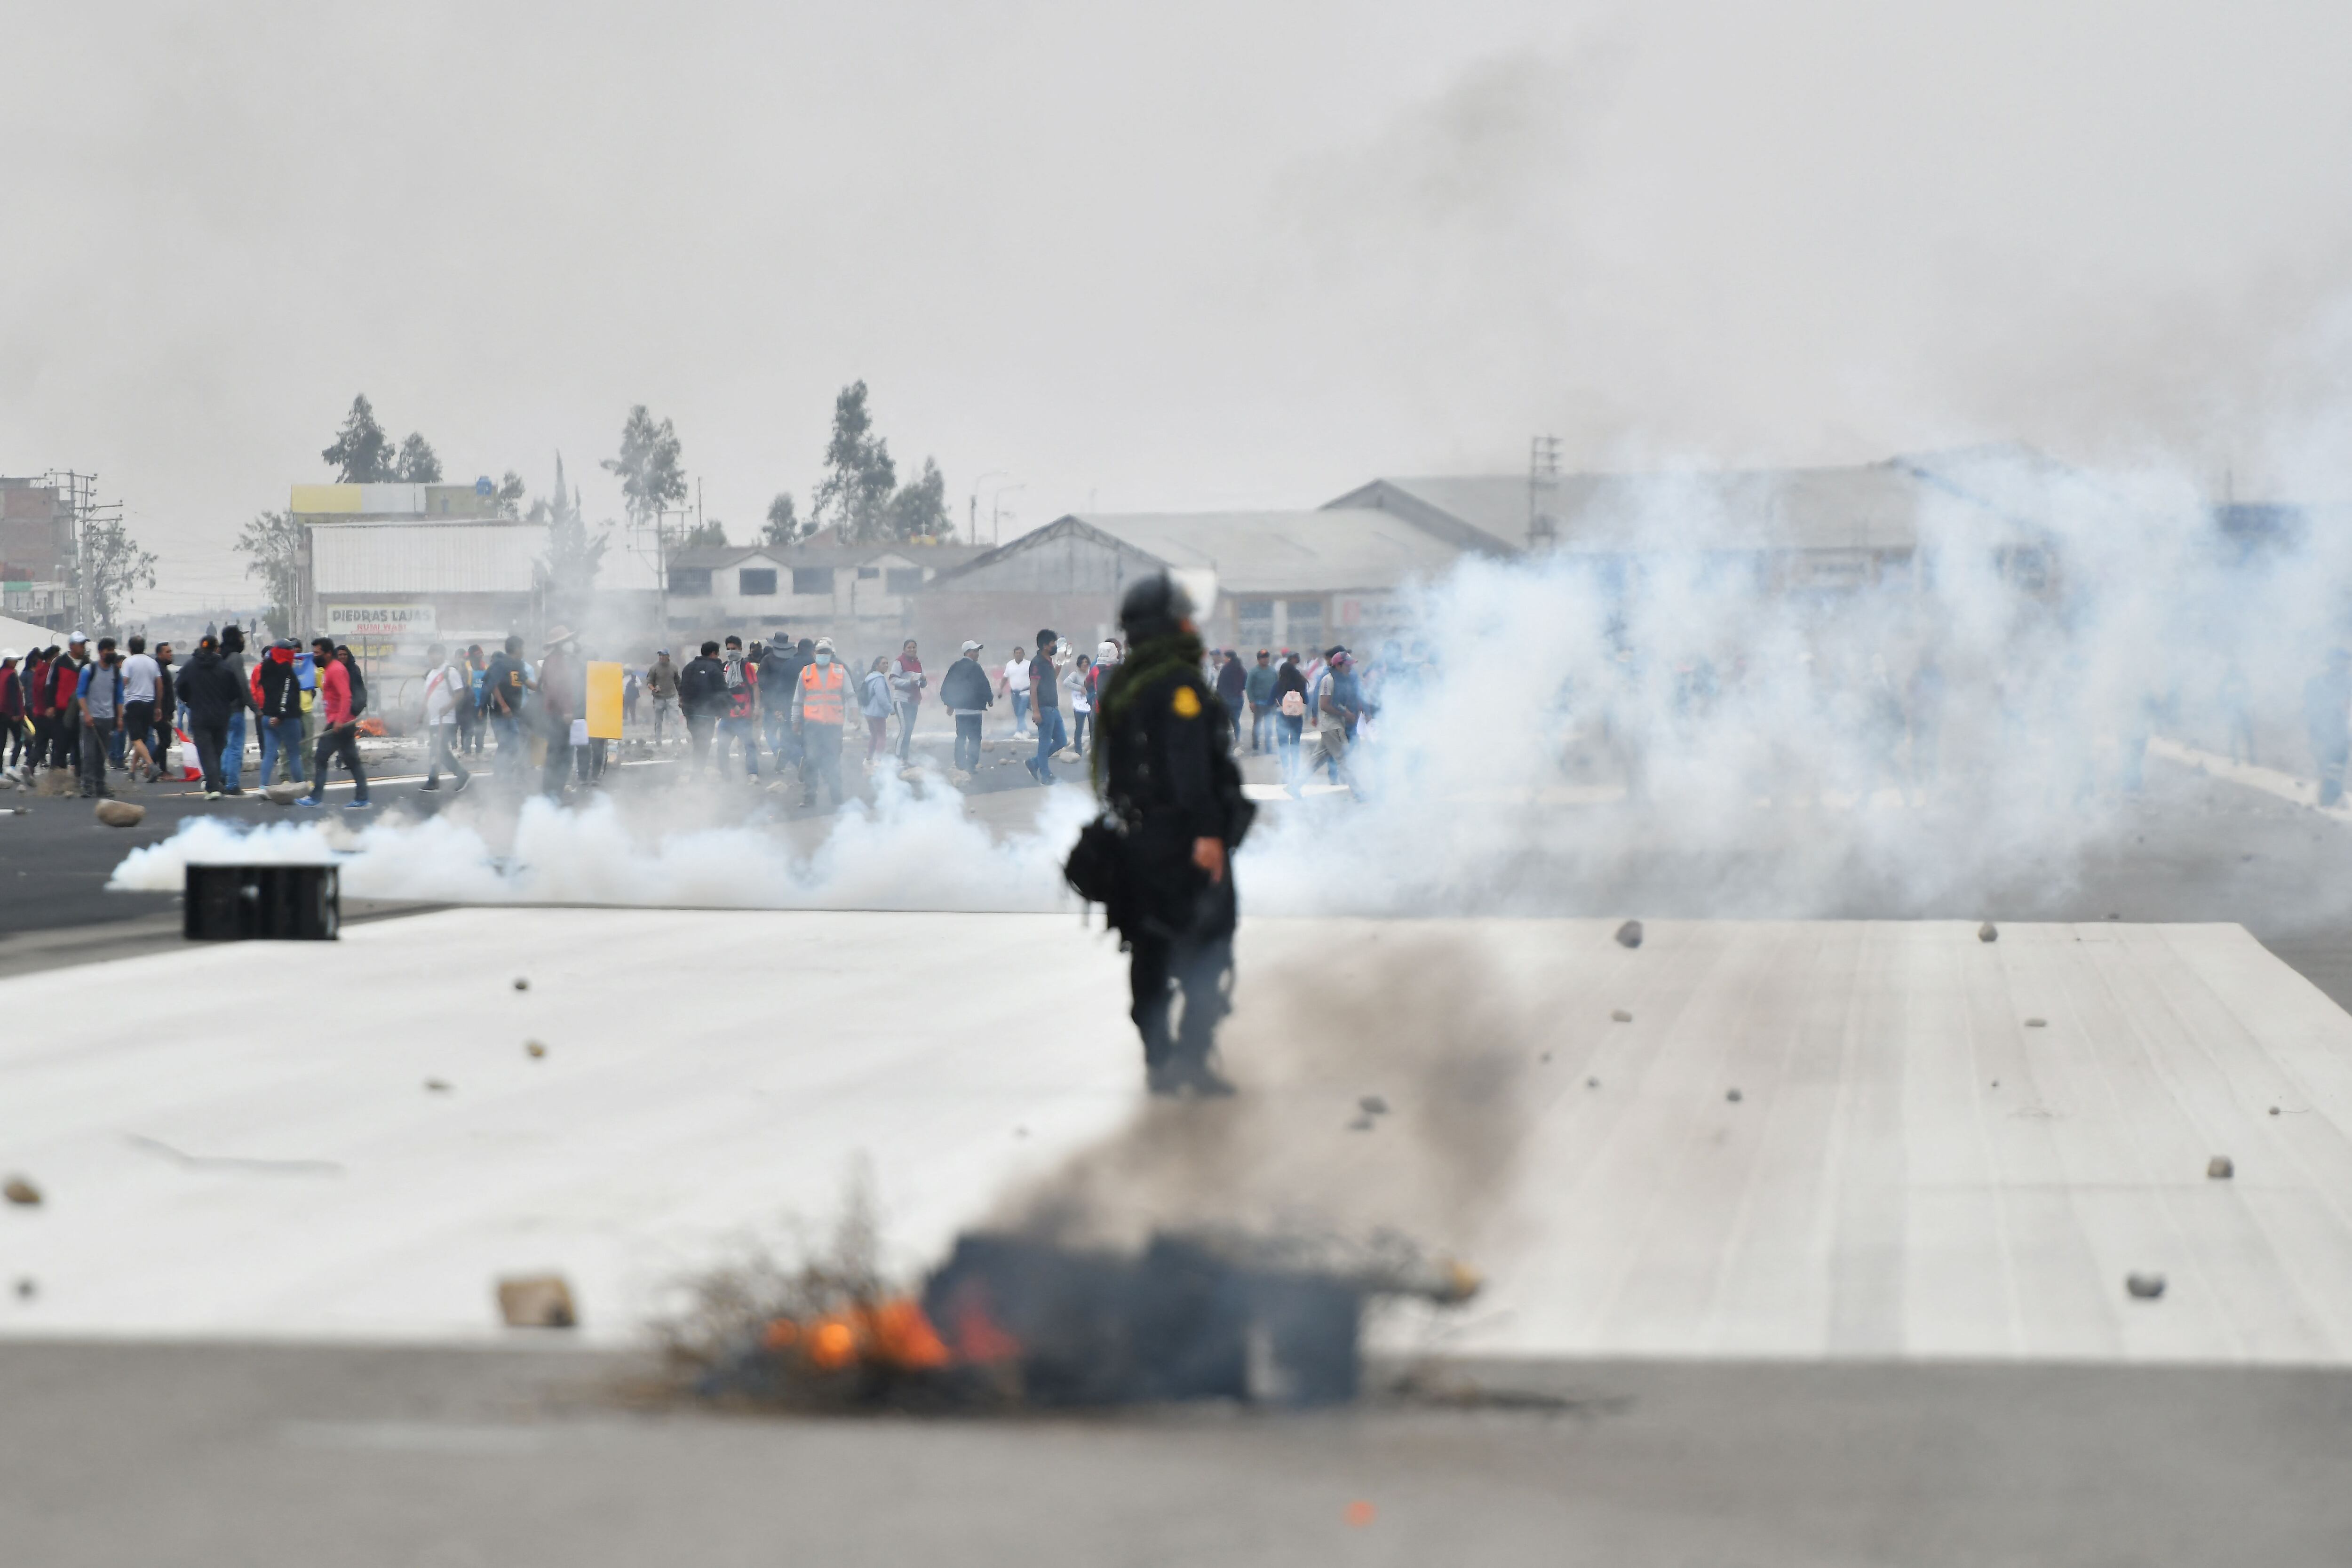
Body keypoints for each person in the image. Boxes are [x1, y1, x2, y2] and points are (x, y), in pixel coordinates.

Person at [1091, 574, 1255, 1097]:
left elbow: (1112, 774)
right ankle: (1187, 1059)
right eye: (1184, 616)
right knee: (1208, 949)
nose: (1192, 624)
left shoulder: (1126, 683)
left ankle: (1159, 1060)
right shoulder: (1178, 686)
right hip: (1183, 843)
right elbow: (1189, 768)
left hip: (1137, 841)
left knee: (1150, 952)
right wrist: (1208, 834)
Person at [179, 634, 254, 800]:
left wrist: (191, 701)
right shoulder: (224, 667)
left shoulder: (190, 667)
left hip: (199, 716)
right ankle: (215, 782)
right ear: (217, 648)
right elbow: (235, 691)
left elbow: (181, 688)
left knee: (206, 751)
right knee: (218, 750)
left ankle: (213, 785)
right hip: (222, 715)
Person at [297, 640, 371, 809]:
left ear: (328, 653)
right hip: (339, 721)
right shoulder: (330, 669)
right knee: (352, 760)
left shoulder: (336, 670)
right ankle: (362, 798)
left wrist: (339, 720)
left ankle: (316, 797)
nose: (314, 656)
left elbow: (346, 696)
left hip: (341, 723)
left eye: (317, 653)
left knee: (321, 757)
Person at [792, 635, 849, 808]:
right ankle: (809, 798)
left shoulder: (840, 671)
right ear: (814, 653)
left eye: (826, 652)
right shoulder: (806, 672)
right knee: (811, 761)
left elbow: (850, 694)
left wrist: (855, 713)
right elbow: (798, 699)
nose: (823, 655)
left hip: (833, 726)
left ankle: (837, 798)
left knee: (832, 761)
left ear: (831, 654)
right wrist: (795, 720)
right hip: (812, 726)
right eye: (820, 652)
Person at [419, 641, 472, 794]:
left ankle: (458, 776)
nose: (434, 658)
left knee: (439, 750)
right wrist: (421, 715)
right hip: (434, 719)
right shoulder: (431, 674)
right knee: (437, 750)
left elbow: (460, 693)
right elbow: (427, 697)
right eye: (432, 655)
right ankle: (434, 780)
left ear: (443, 655)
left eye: (437, 654)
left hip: (447, 719)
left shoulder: (450, 672)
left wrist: (447, 708)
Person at [74, 638, 124, 799]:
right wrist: (87, 714)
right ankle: (87, 786)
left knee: (102, 754)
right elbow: (80, 694)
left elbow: (120, 697)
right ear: (101, 652)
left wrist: (120, 718)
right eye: (108, 650)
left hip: (107, 718)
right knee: (89, 753)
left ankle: (101, 786)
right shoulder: (89, 670)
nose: (111, 653)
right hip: (90, 718)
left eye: (113, 649)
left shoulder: (116, 673)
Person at [537, 627, 583, 798]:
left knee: (557, 754)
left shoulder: (556, 660)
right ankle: (553, 793)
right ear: (560, 644)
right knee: (561, 755)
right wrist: (567, 711)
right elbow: (558, 689)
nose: (571, 644)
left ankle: (553, 792)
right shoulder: (556, 662)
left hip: (555, 714)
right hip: (559, 715)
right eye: (567, 641)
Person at [254, 640, 308, 788]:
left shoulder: (265, 667)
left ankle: (263, 787)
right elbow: (286, 694)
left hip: (267, 716)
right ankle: (300, 786)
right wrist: (281, 715)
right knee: (294, 754)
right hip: (286, 719)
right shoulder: (286, 669)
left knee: (269, 754)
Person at [1313, 648, 1365, 788]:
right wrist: (1345, 714)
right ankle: (1358, 792)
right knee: (1344, 758)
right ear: (1338, 665)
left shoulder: (1342, 680)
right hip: (1332, 726)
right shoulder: (1328, 680)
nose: (1350, 668)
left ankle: (1294, 786)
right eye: (1347, 665)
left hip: (1335, 725)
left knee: (1316, 761)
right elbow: (1324, 705)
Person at [2307, 649, 2352, 807]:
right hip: (2325, 732)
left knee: (2336, 766)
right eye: (2341, 661)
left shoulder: (2348, 681)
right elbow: (2311, 708)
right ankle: (2330, 798)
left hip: (2340, 732)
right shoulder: (2318, 682)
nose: (2346, 665)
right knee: (2329, 766)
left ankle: (2332, 797)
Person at [483, 635, 532, 777]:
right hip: (500, 713)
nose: (524, 651)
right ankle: (500, 775)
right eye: (522, 648)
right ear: (517, 648)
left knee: (516, 743)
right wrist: (504, 706)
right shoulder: (501, 663)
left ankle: (508, 772)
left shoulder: (519, 665)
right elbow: (493, 685)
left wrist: (543, 686)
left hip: (516, 713)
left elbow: (528, 683)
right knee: (506, 743)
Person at [941, 640, 992, 774]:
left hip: (960, 711)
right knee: (975, 739)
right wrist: (990, 699)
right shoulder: (976, 668)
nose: (978, 654)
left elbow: (947, 685)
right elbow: (983, 685)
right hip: (975, 710)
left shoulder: (955, 667)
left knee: (961, 737)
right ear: (968, 652)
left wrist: (949, 703)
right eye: (975, 651)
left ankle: (960, 764)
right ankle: (971, 765)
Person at [714, 635, 760, 778]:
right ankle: (725, 773)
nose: (731, 651)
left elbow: (755, 687)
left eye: (734, 649)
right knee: (722, 746)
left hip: (743, 715)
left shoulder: (746, 666)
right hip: (727, 715)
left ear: (740, 649)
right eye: (728, 649)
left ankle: (752, 773)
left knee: (749, 745)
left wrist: (757, 707)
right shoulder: (725, 667)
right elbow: (722, 690)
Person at [677, 640, 726, 774]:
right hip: (706, 713)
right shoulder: (714, 668)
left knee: (698, 742)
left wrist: (683, 703)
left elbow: (681, 689)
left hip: (690, 713)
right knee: (704, 743)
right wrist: (722, 709)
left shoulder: (688, 667)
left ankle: (697, 770)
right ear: (713, 654)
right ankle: (698, 772)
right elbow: (721, 691)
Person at [118, 636, 161, 781]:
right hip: (150, 703)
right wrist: (158, 706)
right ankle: (131, 771)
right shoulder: (152, 662)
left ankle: (151, 765)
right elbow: (159, 685)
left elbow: (123, 682)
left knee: (136, 738)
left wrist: (118, 701)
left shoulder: (128, 662)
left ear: (130, 648)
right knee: (141, 739)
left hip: (133, 703)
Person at [1026, 629, 1064, 785]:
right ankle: (1046, 775)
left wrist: (1061, 663)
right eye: (1053, 643)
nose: (1055, 646)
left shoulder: (1048, 660)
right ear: (1045, 646)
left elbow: (1052, 678)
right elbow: (1033, 688)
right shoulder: (1037, 663)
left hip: (1054, 707)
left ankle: (1035, 763)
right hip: (1044, 708)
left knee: (1061, 740)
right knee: (1044, 743)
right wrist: (1036, 711)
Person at [216, 624, 251, 792]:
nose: (244, 640)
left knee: (227, 746)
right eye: (241, 636)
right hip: (236, 709)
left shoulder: (221, 657)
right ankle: (233, 784)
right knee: (236, 747)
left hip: (222, 709)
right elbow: (243, 685)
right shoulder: (236, 658)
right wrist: (255, 707)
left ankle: (221, 777)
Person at [889, 639, 927, 765]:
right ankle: (899, 757)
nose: (912, 650)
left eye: (914, 648)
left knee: (910, 729)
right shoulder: (899, 662)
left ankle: (905, 757)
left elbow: (922, 683)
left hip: (914, 700)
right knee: (904, 729)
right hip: (902, 699)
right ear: (905, 649)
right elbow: (893, 679)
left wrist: (923, 681)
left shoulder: (918, 663)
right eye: (909, 648)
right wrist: (907, 683)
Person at [1273, 652, 1307, 784]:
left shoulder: (1278, 684)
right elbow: (1307, 700)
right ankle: (1295, 773)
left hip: (1282, 717)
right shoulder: (1301, 683)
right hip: (1297, 718)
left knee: (1283, 745)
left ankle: (1286, 770)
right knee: (1295, 745)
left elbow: (1270, 699)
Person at [861, 655, 895, 762]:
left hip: (868, 712)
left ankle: (869, 759)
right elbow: (882, 698)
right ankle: (878, 761)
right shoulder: (879, 679)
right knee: (881, 736)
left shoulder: (869, 677)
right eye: (883, 664)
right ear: (877, 666)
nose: (886, 666)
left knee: (874, 736)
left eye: (887, 663)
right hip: (877, 712)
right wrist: (891, 709)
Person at [152, 643, 177, 781]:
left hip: (163, 710)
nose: (171, 654)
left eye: (171, 651)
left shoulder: (162, 669)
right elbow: (162, 693)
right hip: (161, 711)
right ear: (160, 654)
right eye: (168, 652)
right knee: (166, 740)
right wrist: (162, 710)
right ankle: (152, 767)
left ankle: (161, 769)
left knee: (164, 740)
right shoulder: (160, 670)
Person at [645, 649, 680, 747]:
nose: (661, 657)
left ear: (668, 656)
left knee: (675, 720)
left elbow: (678, 682)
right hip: (659, 698)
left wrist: (681, 696)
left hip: (671, 697)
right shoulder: (654, 668)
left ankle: (676, 740)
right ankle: (658, 740)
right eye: (660, 655)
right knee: (658, 722)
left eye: (663, 655)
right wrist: (653, 689)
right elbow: (649, 682)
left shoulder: (674, 667)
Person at [1244, 649, 1276, 753]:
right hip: (1258, 704)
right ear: (1259, 660)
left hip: (1270, 703)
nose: (1266, 660)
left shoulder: (1273, 671)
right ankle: (1256, 746)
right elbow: (1249, 687)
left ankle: (1269, 747)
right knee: (1257, 725)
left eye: (1267, 658)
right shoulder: (1254, 672)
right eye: (1263, 658)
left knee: (1269, 726)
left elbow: (1277, 685)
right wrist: (1252, 701)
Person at [1214, 648, 1247, 750]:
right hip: (1239, 698)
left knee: (1225, 721)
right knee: (1236, 720)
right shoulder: (1241, 669)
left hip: (1227, 698)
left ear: (1229, 658)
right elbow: (1244, 685)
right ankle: (1237, 740)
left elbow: (1220, 685)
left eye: (1225, 657)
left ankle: (1225, 742)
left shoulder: (1226, 669)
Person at [0, 650, 24, 777]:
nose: (16, 663)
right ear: (7, 661)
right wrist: (16, 713)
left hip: (1, 713)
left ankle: (0, 772)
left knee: (1, 742)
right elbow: (13, 695)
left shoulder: (1, 673)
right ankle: (12, 767)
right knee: (19, 740)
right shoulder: (11, 675)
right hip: (11, 713)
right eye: (14, 660)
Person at [999, 645, 1033, 738]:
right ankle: (1025, 730)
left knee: (1021, 712)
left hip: (1025, 692)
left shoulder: (1029, 664)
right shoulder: (1010, 664)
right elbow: (1005, 678)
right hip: (1015, 693)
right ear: (1014, 654)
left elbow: (1035, 678)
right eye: (1016, 653)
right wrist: (1001, 690)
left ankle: (1019, 731)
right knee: (1017, 713)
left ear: (1023, 654)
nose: (1018, 655)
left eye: (1020, 653)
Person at [1066, 653, 1096, 753]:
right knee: (1079, 726)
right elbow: (1067, 682)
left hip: (1090, 702)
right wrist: (1080, 688)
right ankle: (1078, 749)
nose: (1085, 664)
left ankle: (1093, 748)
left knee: (1092, 725)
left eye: (1086, 662)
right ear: (1079, 664)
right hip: (1079, 704)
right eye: (1083, 662)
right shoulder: (1075, 674)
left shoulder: (1090, 673)